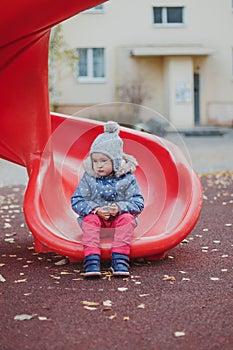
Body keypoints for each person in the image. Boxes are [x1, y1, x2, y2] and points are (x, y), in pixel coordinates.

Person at [71, 121, 144, 277]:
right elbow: (77, 200)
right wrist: (95, 210)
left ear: (116, 161)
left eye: (104, 161)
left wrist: (119, 208)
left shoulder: (127, 178)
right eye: (95, 161)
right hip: (97, 220)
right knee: (89, 220)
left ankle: (120, 261)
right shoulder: (89, 178)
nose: (99, 166)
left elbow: (138, 202)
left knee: (127, 219)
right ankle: (91, 262)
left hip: (118, 221)